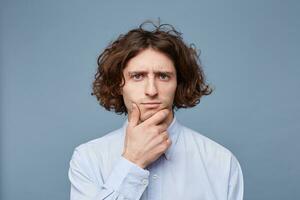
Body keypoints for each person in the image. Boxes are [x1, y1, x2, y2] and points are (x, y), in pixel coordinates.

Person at [68, 21, 244, 200]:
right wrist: (133, 162)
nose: (151, 90)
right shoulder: (88, 158)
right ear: (118, 85)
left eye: (163, 76)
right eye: (137, 76)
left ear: (178, 84)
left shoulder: (222, 162)